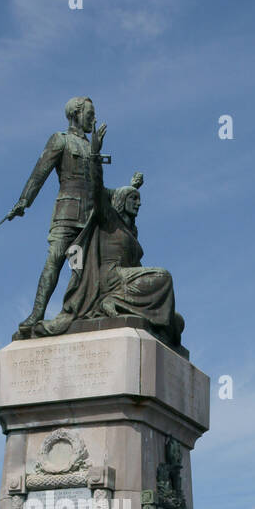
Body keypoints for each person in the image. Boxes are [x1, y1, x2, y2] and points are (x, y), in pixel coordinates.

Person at [38, 127, 184, 347]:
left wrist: (132, 186)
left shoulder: (131, 233)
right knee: (164, 277)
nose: (139, 203)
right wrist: (95, 156)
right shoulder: (108, 218)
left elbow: (137, 266)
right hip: (108, 278)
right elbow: (96, 188)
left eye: (138, 199)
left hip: (124, 278)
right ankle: (109, 300)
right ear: (122, 201)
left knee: (176, 320)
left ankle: (119, 305)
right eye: (133, 199)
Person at [3, 97, 105, 337]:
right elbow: (40, 173)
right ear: (75, 114)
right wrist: (24, 201)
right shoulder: (60, 139)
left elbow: (97, 183)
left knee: (82, 267)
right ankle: (37, 314)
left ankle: (78, 310)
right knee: (54, 260)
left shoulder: (92, 145)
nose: (93, 119)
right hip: (67, 213)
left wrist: (96, 153)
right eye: (89, 114)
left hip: (89, 217)